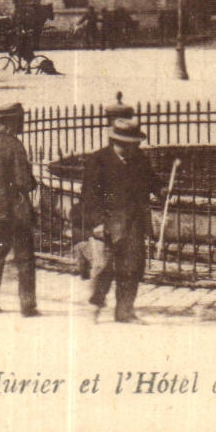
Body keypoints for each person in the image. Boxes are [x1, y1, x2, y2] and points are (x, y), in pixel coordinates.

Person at [80, 110, 163, 324]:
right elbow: (89, 195)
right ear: (114, 140)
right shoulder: (98, 160)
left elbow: (152, 181)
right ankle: (95, 306)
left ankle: (125, 311)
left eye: (134, 144)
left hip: (133, 223)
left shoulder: (139, 159)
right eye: (126, 144)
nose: (131, 148)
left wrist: (161, 190)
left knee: (131, 268)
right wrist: (96, 222)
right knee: (103, 268)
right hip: (107, 223)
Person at [0, 102, 39, 317]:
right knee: (25, 256)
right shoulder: (14, 145)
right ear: (13, 120)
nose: (23, 123)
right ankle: (28, 305)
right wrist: (32, 183)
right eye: (21, 119)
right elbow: (23, 181)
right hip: (14, 210)